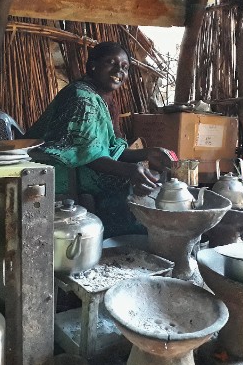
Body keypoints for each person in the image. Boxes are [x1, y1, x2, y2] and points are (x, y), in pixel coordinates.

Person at [27, 41, 175, 237]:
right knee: (124, 190)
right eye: (111, 62)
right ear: (93, 66)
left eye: (124, 67)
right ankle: (114, 240)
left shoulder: (102, 99)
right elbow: (87, 154)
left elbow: (108, 149)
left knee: (138, 182)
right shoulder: (81, 98)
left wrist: (148, 153)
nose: (119, 70)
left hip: (79, 168)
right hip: (57, 172)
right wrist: (130, 170)